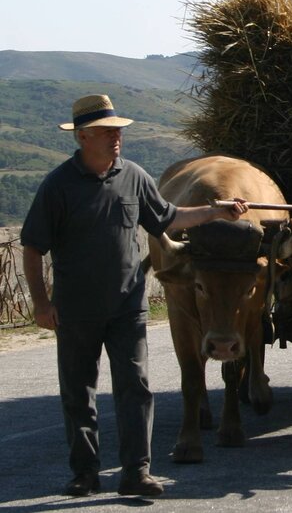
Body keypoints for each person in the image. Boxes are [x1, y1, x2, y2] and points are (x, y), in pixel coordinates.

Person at [20, 94, 249, 498]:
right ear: (84, 136)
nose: (117, 139)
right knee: (79, 393)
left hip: (127, 306)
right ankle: (85, 473)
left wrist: (216, 211)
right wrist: (41, 303)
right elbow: (33, 248)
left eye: (119, 132)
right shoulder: (58, 185)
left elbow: (169, 217)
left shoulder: (135, 176)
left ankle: (136, 472)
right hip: (74, 310)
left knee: (136, 389)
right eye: (108, 132)